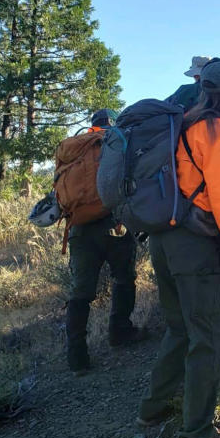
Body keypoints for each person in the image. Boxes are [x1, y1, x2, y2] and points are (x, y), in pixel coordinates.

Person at [137, 60, 220, 438]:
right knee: (206, 336)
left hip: (164, 237)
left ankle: (153, 410)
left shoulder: (184, 122)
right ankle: (197, 437)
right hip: (193, 246)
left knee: (179, 329)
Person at [65, 110, 145, 375]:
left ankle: (76, 357)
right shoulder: (116, 141)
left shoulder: (74, 147)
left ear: (92, 126)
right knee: (123, 277)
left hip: (78, 227)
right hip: (113, 224)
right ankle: (119, 331)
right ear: (112, 123)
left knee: (80, 293)